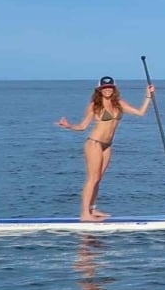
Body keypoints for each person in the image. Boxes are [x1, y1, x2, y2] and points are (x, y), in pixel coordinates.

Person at [56, 75, 153, 221]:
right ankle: (84, 214)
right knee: (92, 178)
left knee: (98, 178)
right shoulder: (94, 105)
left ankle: (92, 209)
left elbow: (140, 112)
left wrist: (148, 96)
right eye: (104, 88)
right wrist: (69, 126)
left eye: (110, 87)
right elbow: (82, 126)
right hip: (94, 143)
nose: (107, 90)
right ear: (99, 90)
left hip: (107, 146)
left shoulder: (119, 104)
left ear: (114, 89)